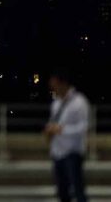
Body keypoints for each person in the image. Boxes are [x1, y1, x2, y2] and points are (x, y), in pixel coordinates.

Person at [44, 69, 90, 202]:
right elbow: (53, 122)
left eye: (55, 85)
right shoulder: (56, 103)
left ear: (63, 84)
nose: (53, 89)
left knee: (78, 190)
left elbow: (83, 127)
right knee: (62, 193)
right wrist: (49, 129)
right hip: (57, 152)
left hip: (72, 153)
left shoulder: (79, 102)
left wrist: (61, 130)